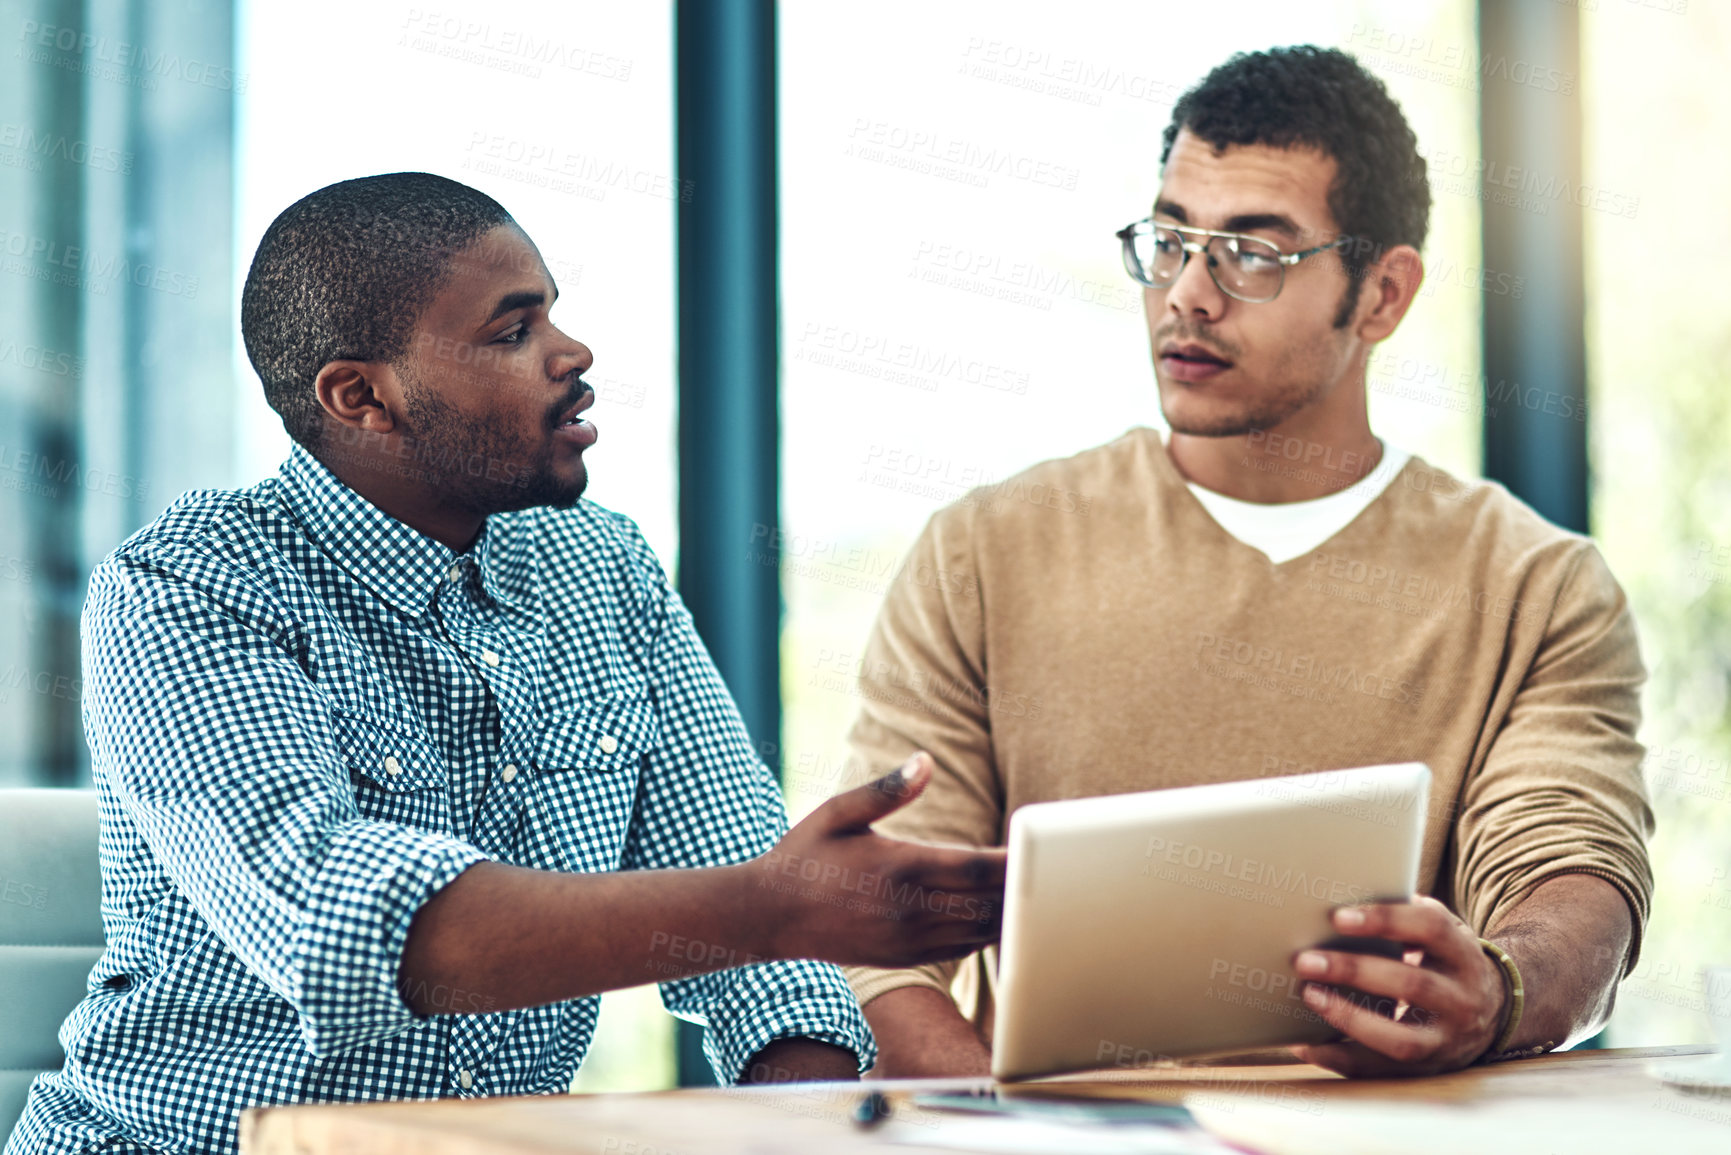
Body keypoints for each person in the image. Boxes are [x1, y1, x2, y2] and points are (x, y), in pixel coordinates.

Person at [7, 173, 1004, 1155]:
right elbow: (339, 931)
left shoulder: (603, 567)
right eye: (513, 331)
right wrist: (775, 908)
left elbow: (745, 909)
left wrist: (815, 1113)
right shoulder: (186, 586)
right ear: (362, 397)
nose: (573, 352)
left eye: (552, 316)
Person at [842, 46, 1651, 1079]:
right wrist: (1007, 1136)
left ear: (1383, 295)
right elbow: (884, 938)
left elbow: (1573, 874)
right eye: (1171, 240)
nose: (1188, 295)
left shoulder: (1538, 586)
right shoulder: (982, 552)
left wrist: (1503, 989)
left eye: (1252, 256)